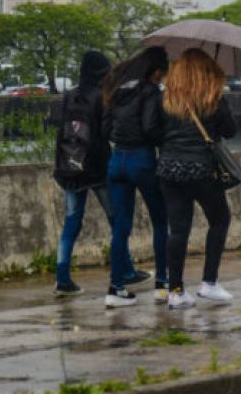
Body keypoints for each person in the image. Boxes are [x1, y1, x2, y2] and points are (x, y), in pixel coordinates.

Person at [52, 50, 150, 295]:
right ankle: (126, 271)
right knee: (117, 219)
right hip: (97, 169)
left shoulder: (69, 95)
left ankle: (62, 279)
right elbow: (106, 132)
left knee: (71, 223)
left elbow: (61, 131)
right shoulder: (102, 96)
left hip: (70, 167)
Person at [157, 48, 237, 309]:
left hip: (169, 170)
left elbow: (153, 131)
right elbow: (230, 130)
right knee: (220, 219)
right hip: (202, 170)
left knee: (178, 230)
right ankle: (209, 282)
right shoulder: (213, 98)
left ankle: (176, 291)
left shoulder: (166, 100)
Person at [101, 46, 170, 308]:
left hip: (117, 160)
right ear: (155, 72)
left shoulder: (116, 90)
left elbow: (106, 128)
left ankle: (115, 288)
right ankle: (162, 284)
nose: (162, 79)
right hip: (142, 159)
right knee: (160, 220)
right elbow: (151, 128)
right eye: (162, 74)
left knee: (121, 227)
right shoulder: (150, 92)